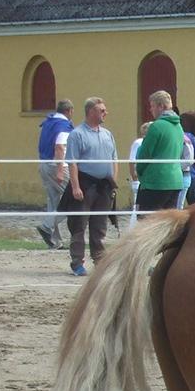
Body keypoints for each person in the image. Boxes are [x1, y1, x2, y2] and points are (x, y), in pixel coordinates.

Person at [60, 97, 118, 277]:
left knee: (99, 226)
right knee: (79, 226)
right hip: (85, 185)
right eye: (101, 110)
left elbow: (114, 159)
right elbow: (73, 163)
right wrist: (75, 187)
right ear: (91, 111)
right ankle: (77, 262)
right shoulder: (77, 134)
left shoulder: (107, 134)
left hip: (104, 187)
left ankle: (99, 261)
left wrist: (113, 182)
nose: (105, 113)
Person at [134, 91, 185, 211]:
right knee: (168, 224)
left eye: (152, 106)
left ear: (161, 106)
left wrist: (139, 171)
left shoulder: (156, 126)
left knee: (147, 222)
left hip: (155, 181)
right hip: (175, 180)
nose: (150, 110)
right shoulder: (179, 127)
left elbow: (144, 154)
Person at [37, 99, 74, 249]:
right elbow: (59, 147)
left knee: (54, 202)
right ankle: (47, 226)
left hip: (44, 164)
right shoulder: (63, 125)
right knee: (74, 200)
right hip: (57, 165)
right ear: (69, 111)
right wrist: (60, 169)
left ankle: (55, 241)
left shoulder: (48, 122)